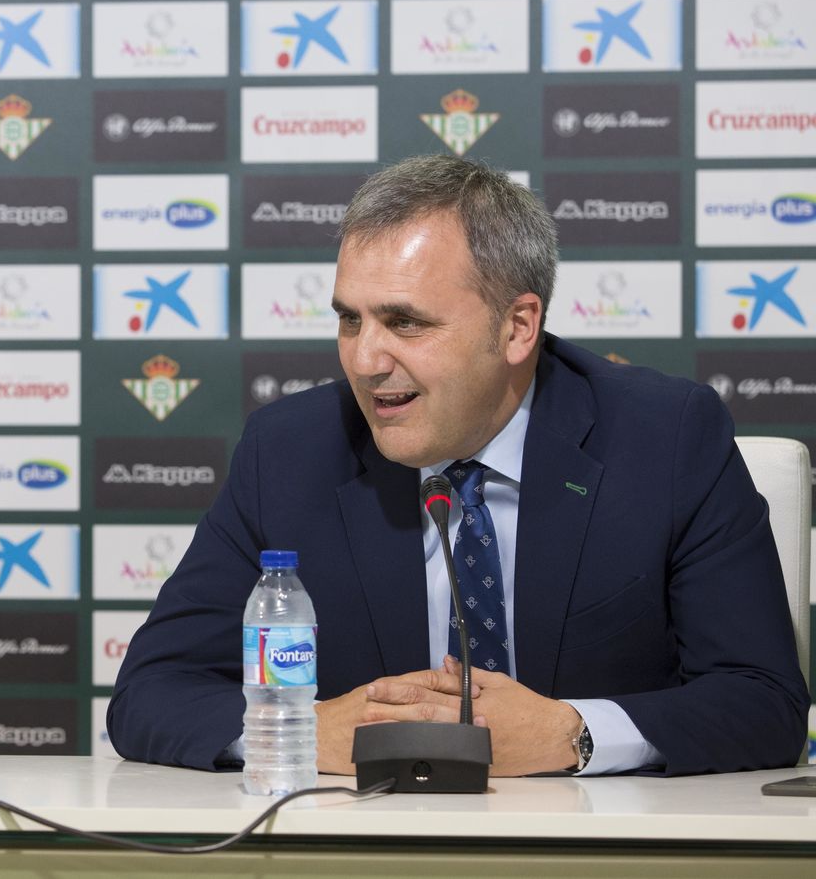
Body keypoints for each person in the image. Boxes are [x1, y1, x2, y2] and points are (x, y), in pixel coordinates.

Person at [109, 155, 809, 777]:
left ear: (517, 327)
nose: (363, 359)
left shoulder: (666, 438)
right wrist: (296, 733)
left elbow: (762, 699)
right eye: (350, 320)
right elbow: (152, 690)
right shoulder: (288, 451)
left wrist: (575, 733)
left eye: (405, 322)